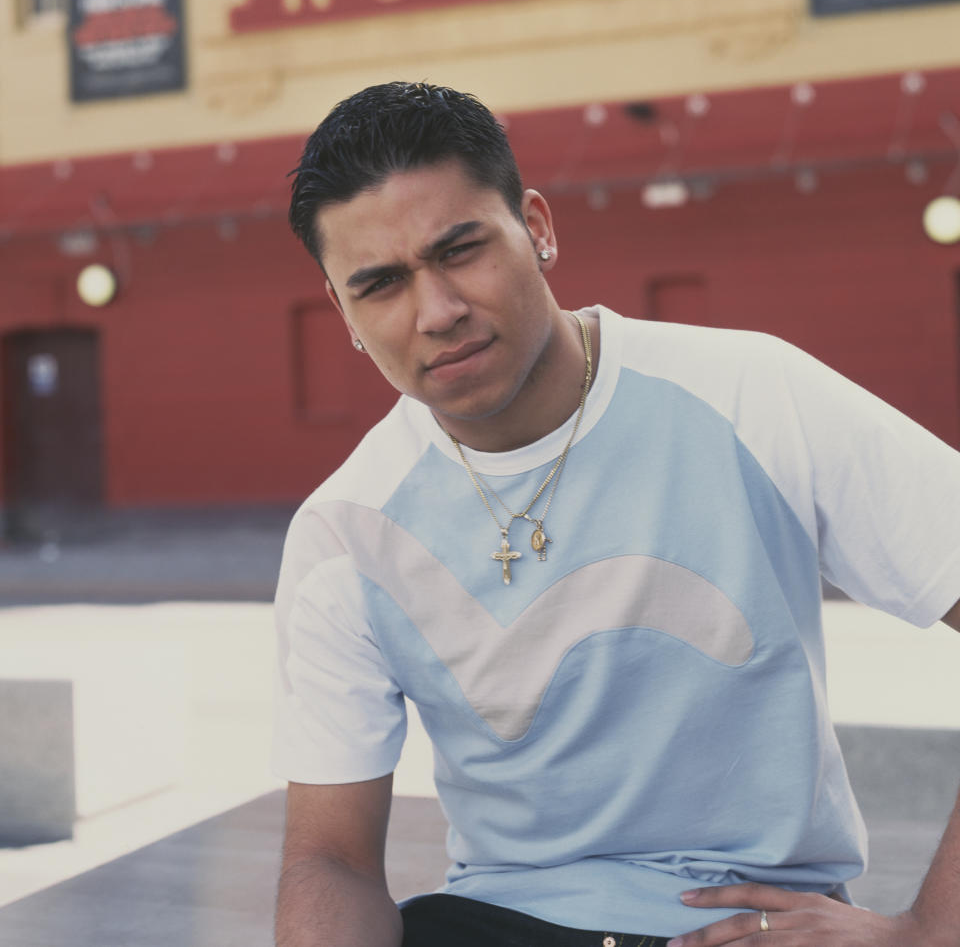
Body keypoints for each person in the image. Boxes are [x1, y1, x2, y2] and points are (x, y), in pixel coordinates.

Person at [274, 81, 960, 947]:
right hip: (502, 919)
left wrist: (926, 932)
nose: (437, 312)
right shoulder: (346, 530)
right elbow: (328, 859)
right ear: (342, 313)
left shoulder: (753, 394)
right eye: (380, 285)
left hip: (746, 921)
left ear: (539, 228)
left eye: (461, 250)